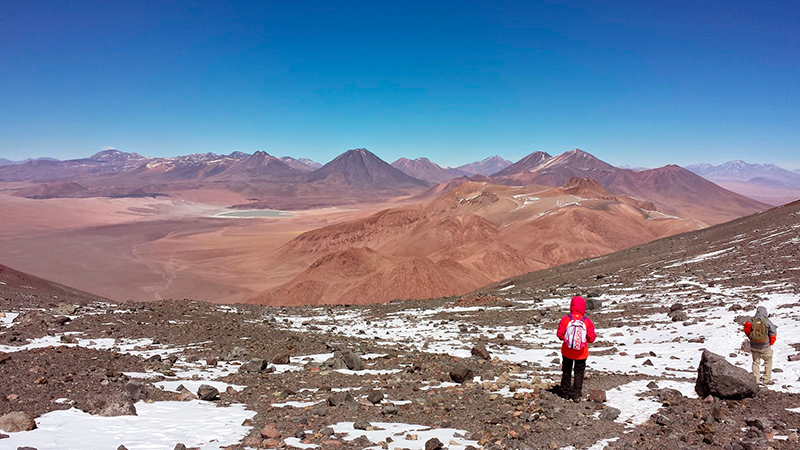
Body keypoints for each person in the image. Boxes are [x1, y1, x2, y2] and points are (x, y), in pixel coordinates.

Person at [556, 296, 596, 402]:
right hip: (581, 353)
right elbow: (591, 338)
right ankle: (576, 393)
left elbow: (559, 335)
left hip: (567, 351)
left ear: (571, 306)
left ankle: (564, 392)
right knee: (579, 372)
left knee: (566, 371)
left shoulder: (566, 319)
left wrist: (566, 338)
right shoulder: (587, 322)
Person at [744, 306, 777, 385]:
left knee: (755, 362)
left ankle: (756, 380)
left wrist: (751, 338)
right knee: (768, 362)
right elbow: (773, 333)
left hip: (754, 346)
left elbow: (746, 330)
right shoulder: (767, 322)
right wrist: (770, 343)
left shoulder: (750, 321)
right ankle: (766, 379)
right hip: (765, 346)